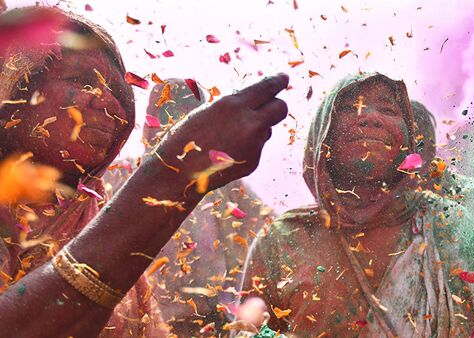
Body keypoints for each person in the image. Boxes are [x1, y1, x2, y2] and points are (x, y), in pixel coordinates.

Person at [0, 6, 288, 337]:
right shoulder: (129, 180)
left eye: (117, 92)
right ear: (12, 90)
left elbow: (263, 240)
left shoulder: (219, 185)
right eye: (80, 80)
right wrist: (175, 173)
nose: (109, 103)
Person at [241, 73, 474, 337]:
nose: (372, 117)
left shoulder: (451, 224)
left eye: (388, 109)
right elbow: (245, 331)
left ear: (410, 143)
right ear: (322, 137)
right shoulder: (283, 240)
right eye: (352, 108)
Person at [103, 79, 275, 335]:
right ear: (149, 124)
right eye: (167, 113)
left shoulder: (222, 182)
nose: (175, 125)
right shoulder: (120, 176)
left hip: (209, 323)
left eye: (187, 115)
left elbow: (268, 240)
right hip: (134, 323)